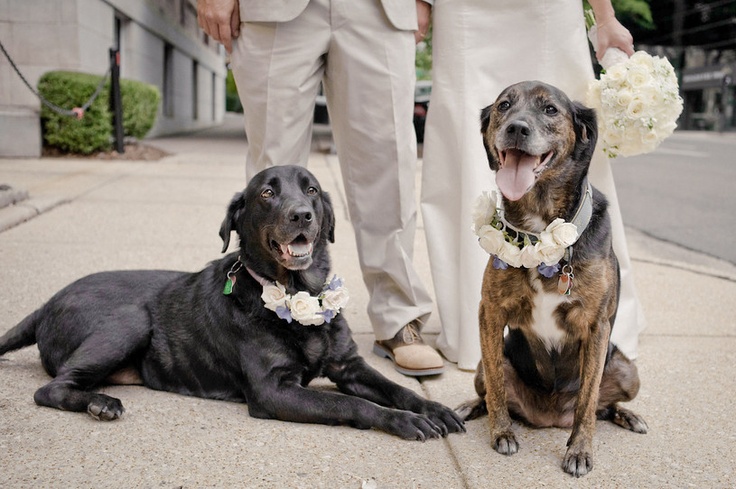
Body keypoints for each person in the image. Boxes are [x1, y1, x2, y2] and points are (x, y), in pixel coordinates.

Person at [196, 0, 445, 376]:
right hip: (273, 10)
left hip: (378, 10)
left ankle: (397, 317)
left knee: (387, 165)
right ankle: (269, 318)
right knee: (272, 175)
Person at [420, 0, 646, 371]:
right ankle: (473, 328)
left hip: (547, 10)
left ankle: (591, 308)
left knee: (563, 147)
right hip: (461, 11)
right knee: (458, 156)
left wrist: (605, 17)